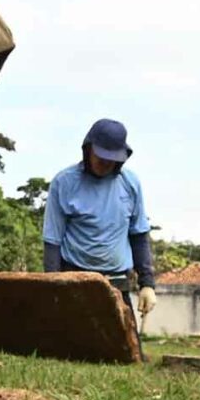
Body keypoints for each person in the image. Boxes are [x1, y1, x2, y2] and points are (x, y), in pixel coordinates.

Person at [42, 119, 157, 342]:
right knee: (68, 348)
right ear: (88, 150)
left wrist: (147, 284)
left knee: (127, 354)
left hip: (117, 282)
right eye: (101, 157)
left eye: (112, 160)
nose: (106, 164)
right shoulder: (64, 183)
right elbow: (52, 241)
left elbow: (139, 235)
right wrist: (52, 287)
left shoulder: (130, 183)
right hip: (74, 279)